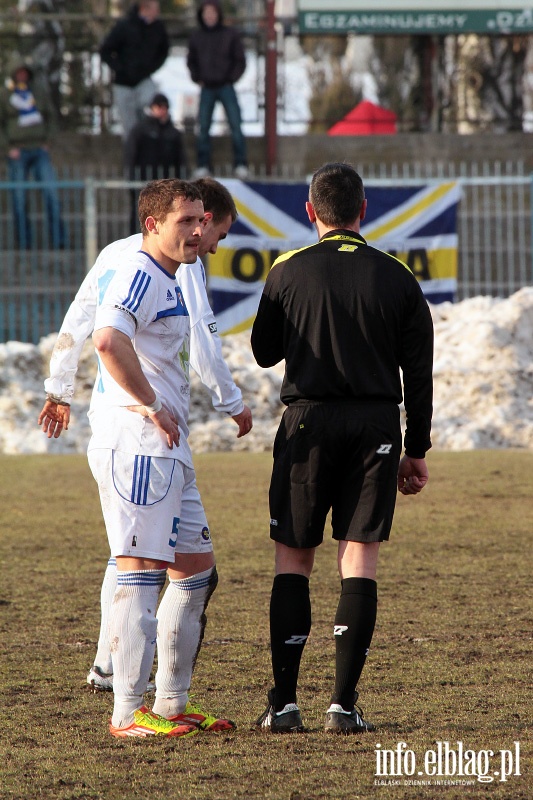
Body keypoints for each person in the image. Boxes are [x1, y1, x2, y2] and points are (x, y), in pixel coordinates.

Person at [39, 177, 252, 736]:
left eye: (201, 221)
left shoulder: (173, 272)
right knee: (138, 572)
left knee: (196, 573)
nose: (200, 232)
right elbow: (106, 337)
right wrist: (153, 404)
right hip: (136, 445)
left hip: (166, 450)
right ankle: (126, 711)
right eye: (187, 221)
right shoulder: (139, 269)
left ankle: (170, 705)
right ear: (153, 224)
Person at [250, 162, 434, 734]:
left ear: (311, 212)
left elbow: (262, 351)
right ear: (364, 210)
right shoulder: (398, 276)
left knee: (293, 558)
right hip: (376, 427)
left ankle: (283, 704)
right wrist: (417, 447)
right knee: (359, 558)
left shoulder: (286, 271)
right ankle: (342, 705)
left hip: (306, 423)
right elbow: (420, 371)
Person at [0, 61, 65, 249]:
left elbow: (51, 116)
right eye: (18, 73)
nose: (22, 76)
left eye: (24, 73)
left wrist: (48, 142)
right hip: (17, 152)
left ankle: (59, 240)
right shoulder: (5, 95)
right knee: (19, 198)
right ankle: (23, 242)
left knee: (51, 194)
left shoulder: (38, 92)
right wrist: (7, 148)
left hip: (39, 149)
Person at [187, 0, 248, 179]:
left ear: (218, 14)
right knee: (204, 126)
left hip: (226, 86)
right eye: (206, 13)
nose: (209, 16)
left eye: (212, 12)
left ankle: (241, 163)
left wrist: (231, 78)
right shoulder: (197, 36)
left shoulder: (230, 34)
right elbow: (191, 61)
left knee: (236, 124)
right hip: (207, 87)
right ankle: (203, 164)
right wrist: (197, 77)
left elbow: (240, 60)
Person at [99, 0, 169, 140]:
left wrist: (150, 68)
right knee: (129, 127)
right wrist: (119, 68)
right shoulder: (125, 26)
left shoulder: (158, 28)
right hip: (123, 83)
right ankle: (132, 158)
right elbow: (106, 50)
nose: (157, 12)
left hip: (143, 79)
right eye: (155, 8)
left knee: (150, 105)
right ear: (145, 8)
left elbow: (164, 51)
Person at [125, 93, 187, 234]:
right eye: (159, 107)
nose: (162, 110)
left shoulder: (173, 133)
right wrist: (131, 179)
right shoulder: (140, 130)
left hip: (167, 186)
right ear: (152, 108)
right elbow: (130, 156)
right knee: (139, 219)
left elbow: (181, 161)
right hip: (142, 183)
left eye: (165, 107)